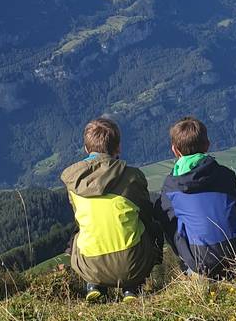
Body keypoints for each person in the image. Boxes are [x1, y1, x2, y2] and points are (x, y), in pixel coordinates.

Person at [61, 118, 162, 302]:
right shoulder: (132, 177)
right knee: (149, 226)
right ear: (118, 148)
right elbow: (146, 213)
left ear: (86, 149)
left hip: (90, 265)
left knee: (78, 233)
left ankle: (93, 284)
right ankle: (132, 287)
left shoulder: (73, 182)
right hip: (132, 264)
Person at [155, 117, 236, 279]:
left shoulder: (171, 186)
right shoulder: (225, 175)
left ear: (174, 150)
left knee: (166, 216)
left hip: (201, 263)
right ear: (207, 145)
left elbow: (169, 224)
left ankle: (189, 269)